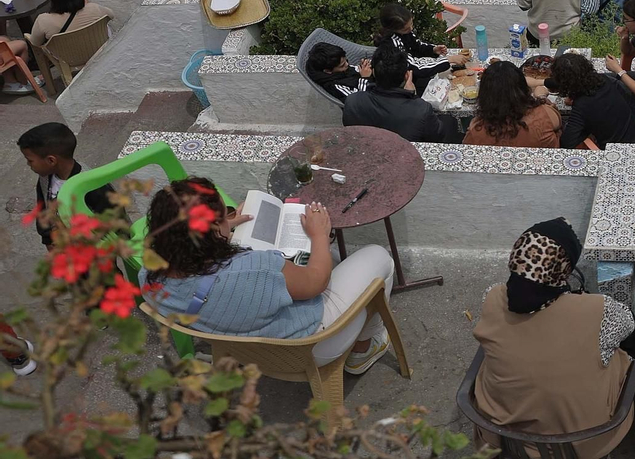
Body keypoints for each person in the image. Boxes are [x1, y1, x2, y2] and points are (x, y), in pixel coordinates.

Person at [141, 178, 396, 373]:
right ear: (213, 228)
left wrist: (222, 231)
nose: (230, 219)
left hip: (241, 347)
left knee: (336, 262)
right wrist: (319, 236)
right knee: (378, 256)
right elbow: (316, 281)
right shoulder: (257, 271)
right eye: (225, 216)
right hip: (309, 348)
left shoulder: (149, 277)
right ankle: (363, 349)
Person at [471, 218, 635, 459]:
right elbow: (629, 324)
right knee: (619, 355)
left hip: (502, 434)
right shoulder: (598, 309)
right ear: (563, 270)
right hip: (581, 441)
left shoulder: (492, 297)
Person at [18, 122, 115, 248]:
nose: (28, 164)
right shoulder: (45, 179)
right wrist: (48, 240)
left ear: (51, 160)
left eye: (30, 160)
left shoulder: (91, 184)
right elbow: (43, 210)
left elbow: (112, 220)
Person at [341, 42, 461, 143]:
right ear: (406, 75)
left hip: (369, 151)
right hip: (407, 155)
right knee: (449, 121)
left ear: (374, 73)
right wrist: (413, 97)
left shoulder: (352, 101)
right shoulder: (421, 109)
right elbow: (437, 135)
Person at [546, 52, 635, 148]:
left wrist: (555, 117)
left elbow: (567, 142)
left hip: (621, 150)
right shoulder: (604, 80)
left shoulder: (581, 107)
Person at [465, 59, 561, 148]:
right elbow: (558, 122)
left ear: (484, 94)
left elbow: (466, 149)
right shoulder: (545, 115)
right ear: (523, 88)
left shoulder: (476, 129)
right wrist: (541, 97)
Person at [23, 0, 113, 52]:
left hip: (69, 59)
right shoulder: (94, 8)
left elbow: (36, 43)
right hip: (99, 50)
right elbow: (111, 15)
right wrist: (88, 4)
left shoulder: (43, 21)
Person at [377, 1, 453, 85]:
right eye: (406, 29)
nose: (411, 29)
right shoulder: (391, 46)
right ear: (393, 29)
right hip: (400, 84)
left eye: (411, 24)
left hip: (414, 77)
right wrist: (448, 60)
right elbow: (415, 68)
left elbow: (417, 46)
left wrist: (433, 50)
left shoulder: (406, 33)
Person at [306, 42, 371, 99]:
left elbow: (353, 69)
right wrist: (365, 78)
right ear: (328, 71)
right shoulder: (336, 86)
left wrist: (364, 66)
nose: (347, 64)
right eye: (342, 65)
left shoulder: (340, 70)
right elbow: (359, 101)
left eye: (346, 60)